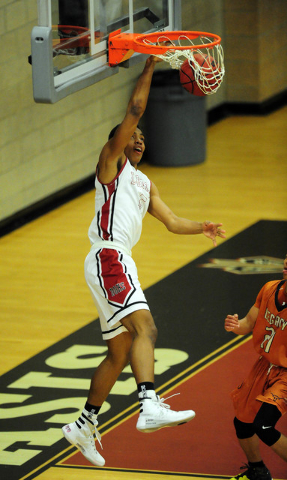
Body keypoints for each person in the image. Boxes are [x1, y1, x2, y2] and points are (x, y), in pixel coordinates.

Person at [62, 55, 226, 467]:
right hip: (109, 256)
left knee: (119, 352)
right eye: (132, 136)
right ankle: (149, 403)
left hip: (116, 260)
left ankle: (83, 425)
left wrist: (200, 227)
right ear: (118, 140)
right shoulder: (110, 164)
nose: (139, 139)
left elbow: (170, 221)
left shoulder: (143, 182)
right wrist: (151, 64)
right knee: (146, 327)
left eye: (142, 139)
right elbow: (134, 110)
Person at [224, 254, 287, 480]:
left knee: (264, 426)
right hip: (265, 366)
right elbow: (248, 323)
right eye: (286, 267)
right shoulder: (270, 289)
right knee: (243, 422)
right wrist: (236, 326)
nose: (286, 272)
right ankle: (258, 471)